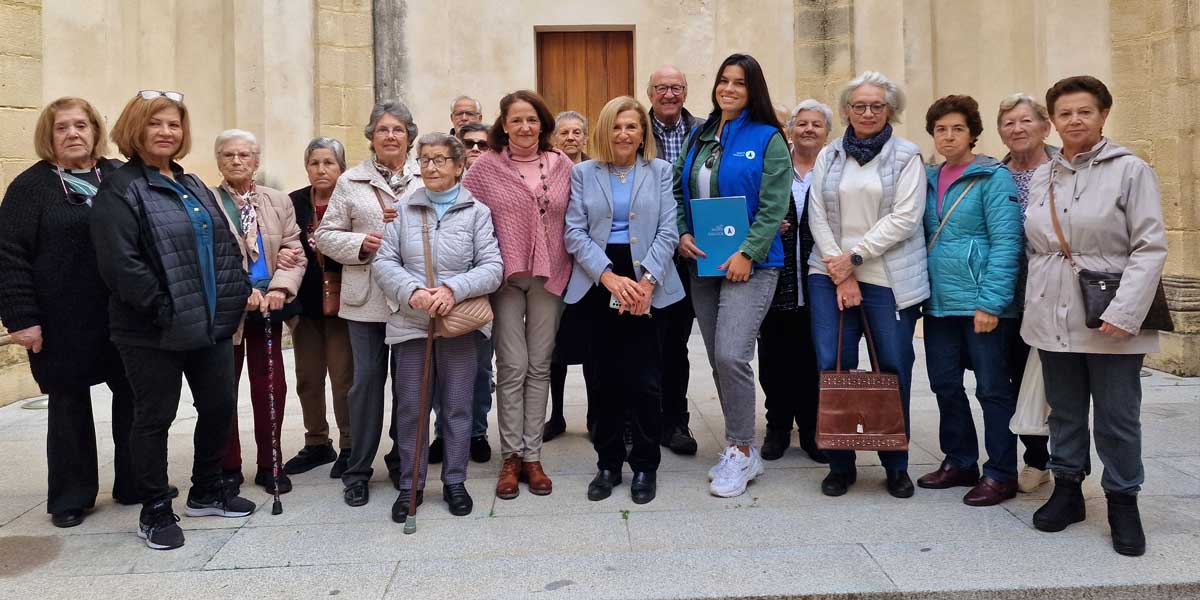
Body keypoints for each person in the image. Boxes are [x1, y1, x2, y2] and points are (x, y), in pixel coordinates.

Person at [90, 90, 256, 550]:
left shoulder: (194, 184)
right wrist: (164, 307)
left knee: (219, 407)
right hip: (151, 329)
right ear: (134, 130)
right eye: (155, 123)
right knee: (154, 418)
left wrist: (235, 296)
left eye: (174, 124)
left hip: (209, 324)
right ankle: (155, 508)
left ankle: (206, 490)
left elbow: (225, 246)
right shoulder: (120, 188)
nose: (166, 132)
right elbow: (120, 265)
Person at [1023, 75, 1167, 557]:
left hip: (1109, 314)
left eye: (1084, 111)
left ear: (1104, 114)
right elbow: (1037, 244)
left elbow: (1150, 246)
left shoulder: (1131, 170)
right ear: (1053, 121)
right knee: (1063, 411)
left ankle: (1124, 499)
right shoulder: (1043, 173)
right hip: (1052, 313)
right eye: (1064, 113)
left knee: (1117, 416)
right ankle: (1067, 490)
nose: (1074, 120)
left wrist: (1126, 311)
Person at [0, 97, 140, 529]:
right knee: (67, 405)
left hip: (124, 314)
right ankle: (71, 496)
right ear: (50, 136)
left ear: (96, 131)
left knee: (134, 398)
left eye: (81, 125)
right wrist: (22, 318)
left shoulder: (120, 177)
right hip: (61, 319)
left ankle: (136, 482)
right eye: (62, 127)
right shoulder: (32, 187)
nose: (73, 133)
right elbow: (9, 256)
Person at [806, 71, 927, 500]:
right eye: (860, 105)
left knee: (892, 366)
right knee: (832, 364)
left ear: (890, 110)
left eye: (877, 105)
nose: (869, 112)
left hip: (886, 278)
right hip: (829, 275)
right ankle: (840, 463)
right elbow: (816, 213)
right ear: (846, 111)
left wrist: (854, 259)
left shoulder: (907, 156)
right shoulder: (830, 156)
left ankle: (896, 462)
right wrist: (841, 271)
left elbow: (905, 219)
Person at [674, 54, 790, 498]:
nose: (729, 89)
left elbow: (774, 204)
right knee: (719, 359)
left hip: (752, 265)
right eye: (724, 81)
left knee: (731, 356)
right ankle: (741, 445)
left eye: (739, 83)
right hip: (703, 263)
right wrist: (684, 232)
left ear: (752, 89)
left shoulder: (768, 138)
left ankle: (741, 449)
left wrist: (748, 252)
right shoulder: (701, 136)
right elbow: (678, 190)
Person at [374, 133, 503, 523]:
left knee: (458, 406)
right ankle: (410, 486)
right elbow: (384, 262)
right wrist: (413, 291)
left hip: (459, 323)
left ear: (459, 165)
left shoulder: (477, 212)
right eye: (425, 160)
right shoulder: (404, 209)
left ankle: (455, 481)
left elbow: (492, 267)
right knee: (412, 406)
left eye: (440, 160)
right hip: (412, 324)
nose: (431, 167)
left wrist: (452, 289)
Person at [564, 96, 683, 504]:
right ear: (603, 130)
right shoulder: (583, 173)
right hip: (600, 281)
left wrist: (646, 281)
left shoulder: (660, 171)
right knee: (602, 380)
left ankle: (645, 466)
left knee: (647, 380)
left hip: (649, 277)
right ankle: (608, 462)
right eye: (616, 126)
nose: (624, 134)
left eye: (632, 126)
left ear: (642, 133)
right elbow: (574, 232)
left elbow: (669, 229)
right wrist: (610, 278)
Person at [461, 90, 573, 500]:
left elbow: (578, 214)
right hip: (505, 279)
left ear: (542, 123)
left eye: (532, 119)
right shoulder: (486, 168)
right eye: (516, 120)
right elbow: (463, 213)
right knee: (512, 365)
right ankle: (511, 456)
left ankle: (532, 456)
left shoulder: (561, 164)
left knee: (540, 365)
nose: (525, 127)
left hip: (551, 274)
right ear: (503, 125)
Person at [315, 99, 423, 507]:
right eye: (382, 130)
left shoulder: (424, 176)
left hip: (411, 298)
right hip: (365, 301)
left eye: (398, 129)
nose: (390, 136)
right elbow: (326, 236)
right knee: (365, 385)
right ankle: (358, 468)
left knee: (409, 388)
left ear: (409, 136)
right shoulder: (351, 181)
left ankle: (402, 459)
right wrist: (363, 242)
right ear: (371, 137)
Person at [917, 95, 1022, 506]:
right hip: (939, 302)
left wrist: (991, 303)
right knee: (944, 384)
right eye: (940, 129)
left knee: (993, 389)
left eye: (957, 128)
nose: (948, 136)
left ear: (972, 133)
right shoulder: (926, 178)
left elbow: (1007, 242)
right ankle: (960, 460)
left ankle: (1001, 472)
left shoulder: (993, 177)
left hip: (981, 304)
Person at [211, 129, 306, 495]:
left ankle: (271, 463)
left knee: (270, 387)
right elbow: (211, 258)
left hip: (270, 306)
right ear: (219, 160)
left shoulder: (278, 201)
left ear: (257, 161)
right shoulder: (209, 200)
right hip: (229, 308)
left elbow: (293, 248)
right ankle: (228, 464)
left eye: (244, 155)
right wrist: (240, 290)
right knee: (223, 388)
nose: (237, 161)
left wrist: (281, 287)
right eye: (228, 155)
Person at [757, 100, 831, 463]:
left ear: (827, 132)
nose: (808, 130)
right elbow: (755, 206)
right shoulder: (775, 165)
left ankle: (812, 427)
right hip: (777, 276)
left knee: (813, 355)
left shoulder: (834, 170)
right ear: (790, 130)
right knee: (774, 356)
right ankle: (778, 426)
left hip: (820, 278)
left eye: (817, 124)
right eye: (802, 123)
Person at [283, 138, 355, 479]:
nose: (321, 169)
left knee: (343, 378)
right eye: (315, 163)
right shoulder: (293, 203)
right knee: (308, 378)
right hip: (306, 304)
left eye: (329, 162)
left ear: (341, 167)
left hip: (345, 305)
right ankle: (316, 442)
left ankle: (350, 445)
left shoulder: (351, 198)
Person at [996, 93, 1057, 493]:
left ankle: (1053, 461)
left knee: (1053, 382)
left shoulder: (1061, 169)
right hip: (1005, 295)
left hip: (1052, 294)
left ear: (1044, 126)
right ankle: (1033, 458)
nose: (1017, 129)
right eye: (1008, 123)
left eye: (1025, 121)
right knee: (1013, 379)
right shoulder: (994, 173)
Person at [648, 65, 704, 455]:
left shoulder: (705, 131)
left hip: (692, 255)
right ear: (649, 92)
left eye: (677, 87)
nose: (670, 94)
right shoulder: (634, 126)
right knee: (641, 344)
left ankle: (675, 421)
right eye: (662, 88)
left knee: (676, 345)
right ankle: (641, 420)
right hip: (644, 255)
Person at [545, 109, 594, 441]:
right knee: (554, 348)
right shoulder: (547, 171)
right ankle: (557, 415)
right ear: (554, 138)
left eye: (577, 132)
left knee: (593, 346)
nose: (571, 137)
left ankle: (595, 415)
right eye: (565, 132)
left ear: (586, 138)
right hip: (555, 269)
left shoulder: (595, 170)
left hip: (590, 269)